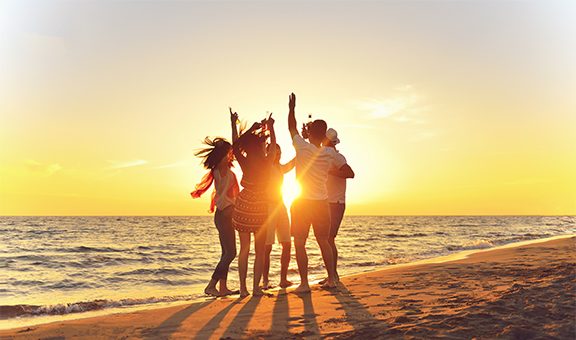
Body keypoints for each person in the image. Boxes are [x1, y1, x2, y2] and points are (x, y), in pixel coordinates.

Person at [287, 92, 347, 293]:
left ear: (310, 132)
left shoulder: (302, 148)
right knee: (324, 241)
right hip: (322, 202)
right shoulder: (330, 153)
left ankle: (304, 284)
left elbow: (291, 127)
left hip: (303, 201)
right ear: (324, 136)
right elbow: (344, 167)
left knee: (300, 242)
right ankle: (331, 279)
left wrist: (292, 109)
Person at [232, 112, 277, 297]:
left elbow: (236, 146)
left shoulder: (244, 160)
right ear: (261, 147)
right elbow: (273, 145)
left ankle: (243, 289)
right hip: (259, 206)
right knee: (259, 251)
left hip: (243, 204)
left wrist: (237, 125)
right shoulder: (267, 161)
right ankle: (256, 288)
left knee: (244, 249)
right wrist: (271, 127)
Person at [190, 132, 240, 297]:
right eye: (227, 154)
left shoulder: (221, 171)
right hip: (224, 215)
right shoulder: (222, 171)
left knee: (226, 253)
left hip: (223, 215)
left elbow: (234, 148)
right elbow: (234, 148)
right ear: (222, 155)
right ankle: (211, 285)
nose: (230, 156)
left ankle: (223, 287)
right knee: (231, 253)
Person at [322, 128, 355, 284]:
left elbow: (350, 173)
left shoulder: (337, 157)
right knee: (327, 239)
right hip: (327, 202)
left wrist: (331, 172)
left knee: (329, 239)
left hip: (336, 203)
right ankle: (332, 274)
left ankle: (333, 275)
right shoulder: (326, 155)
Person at [262, 143, 295, 289]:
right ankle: (265, 281)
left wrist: (302, 148)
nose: (278, 154)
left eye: (279, 151)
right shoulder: (265, 167)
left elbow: (292, 163)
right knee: (266, 247)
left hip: (281, 207)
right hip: (268, 208)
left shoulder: (280, 168)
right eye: (275, 151)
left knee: (287, 244)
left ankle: (283, 279)